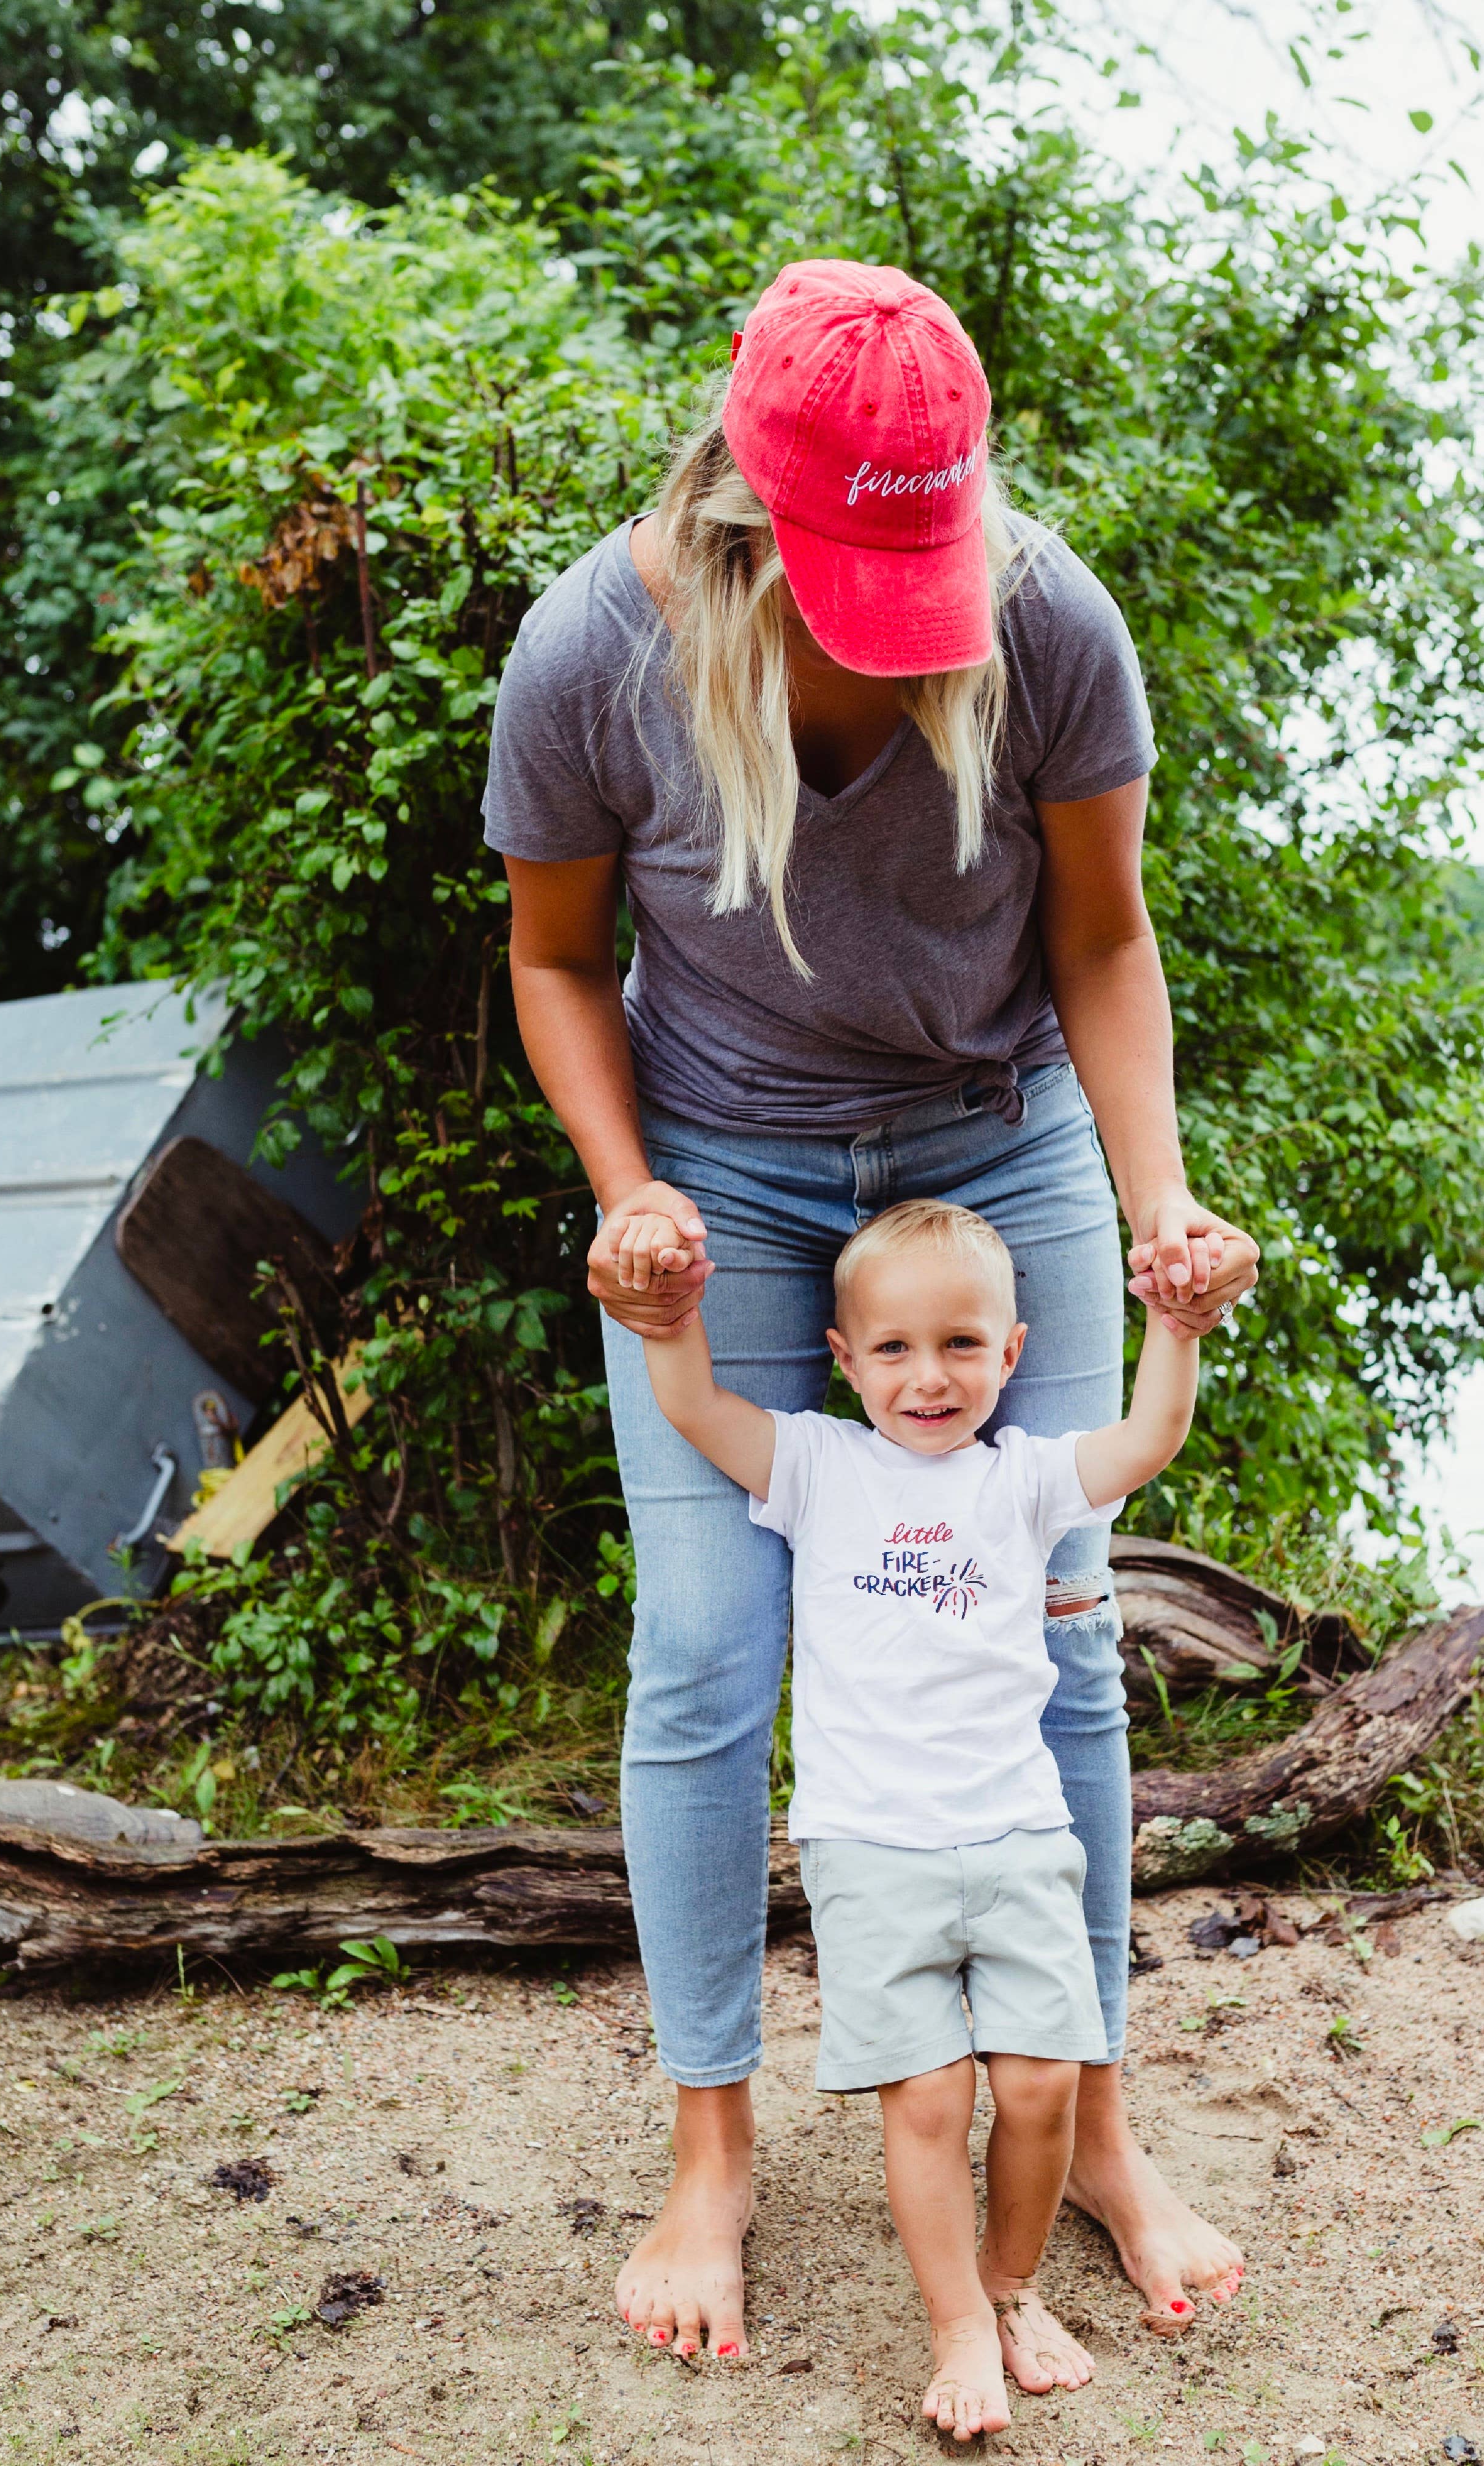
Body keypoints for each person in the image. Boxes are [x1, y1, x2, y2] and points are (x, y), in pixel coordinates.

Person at [483, 255, 1259, 2360]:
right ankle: (712, 2152)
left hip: (994, 1152)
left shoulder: (1050, 621)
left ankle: (1092, 2127)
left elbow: (1103, 942)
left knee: (1065, 1640)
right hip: (722, 1173)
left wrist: (1155, 1199)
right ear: (753, 510)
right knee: (711, 1662)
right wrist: (630, 1194)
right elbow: (557, 962)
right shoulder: (594, 655)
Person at [624, 1195, 1203, 2439]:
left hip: (1017, 1838)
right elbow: (693, 1410)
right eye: (890, 1348)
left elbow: (1149, 1437)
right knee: (930, 2097)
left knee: (1043, 2079)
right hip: (871, 1846)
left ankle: (1009, 2283)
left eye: (959, 1344)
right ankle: (956, 2320)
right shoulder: (817, 1464)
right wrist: (671, 1321)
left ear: (1011, 1352)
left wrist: (1176, 1323)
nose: (925, 1376)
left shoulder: (1029, 1476)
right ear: (842, 1357)